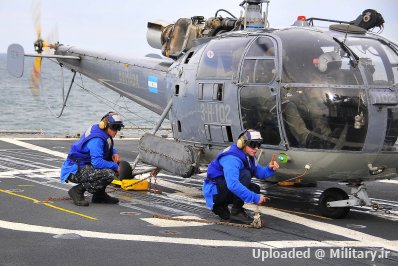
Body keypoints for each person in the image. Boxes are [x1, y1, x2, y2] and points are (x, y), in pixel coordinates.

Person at [202, 129, 279, 224]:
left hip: (221, 187)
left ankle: (220, 206)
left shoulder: (248, 156)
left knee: (254, 188)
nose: (256, 148)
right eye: (253, 145)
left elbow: (261, 173)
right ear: (242, 143)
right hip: (214, 192)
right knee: (245, 174)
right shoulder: (231, 158)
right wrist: (254, 198)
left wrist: (269, 168)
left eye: (258, 145)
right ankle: (236, 212)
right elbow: (232, 184)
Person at [60, 112, 124, 206]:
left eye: (118, 128)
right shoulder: (97, 140)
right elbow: (97, 163)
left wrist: (114, 153)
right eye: (114, 127)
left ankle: (99, 195)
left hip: (83, 165)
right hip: (74, 170)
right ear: (105, 125)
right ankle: (77, 191)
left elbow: (107, 145)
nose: (116, 131)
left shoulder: (101, 130)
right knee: (109, 173)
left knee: (111, 165)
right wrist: (115, 166)